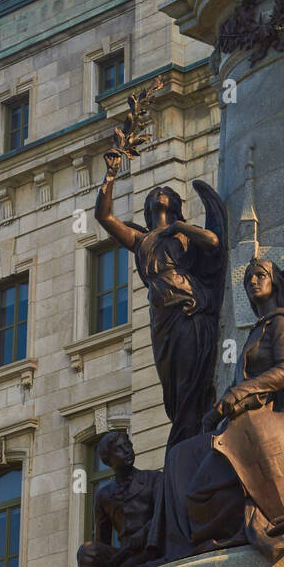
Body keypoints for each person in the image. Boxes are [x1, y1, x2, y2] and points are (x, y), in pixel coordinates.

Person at [147, 257, 284, 562]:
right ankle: (173, 547)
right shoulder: (259, 329)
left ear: (275, 281)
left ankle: (231, 529)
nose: (253, 281)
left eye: (260, 275)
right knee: (178, 456)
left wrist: (237, 393)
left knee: (199, 489)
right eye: (248, 278)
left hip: (270, 420)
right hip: (243, 419)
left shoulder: (281, 322)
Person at [95, 160, 226, 451]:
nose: (159, 191)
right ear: (148, 208)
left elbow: (215, 240)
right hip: (162, 318)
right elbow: (103, 216)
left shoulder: (184, 234)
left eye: (166, 192)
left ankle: (189, 441)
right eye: (154, 193)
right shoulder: (141, 239)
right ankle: (187, 441)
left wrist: (180, 227)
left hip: (189, 310)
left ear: (176, 205)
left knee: (190, 383)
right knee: (173, 386)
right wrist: (111, 174)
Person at [72, 430, 160, 567]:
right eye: (120, 449)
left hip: (151, 546)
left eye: (128, 445)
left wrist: (143, 534)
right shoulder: (104, 495)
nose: (127, 450)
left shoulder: (154, 479)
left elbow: (164, 515)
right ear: (107, 460)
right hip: (124, 553)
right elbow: (103, 542)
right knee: (88, 550)